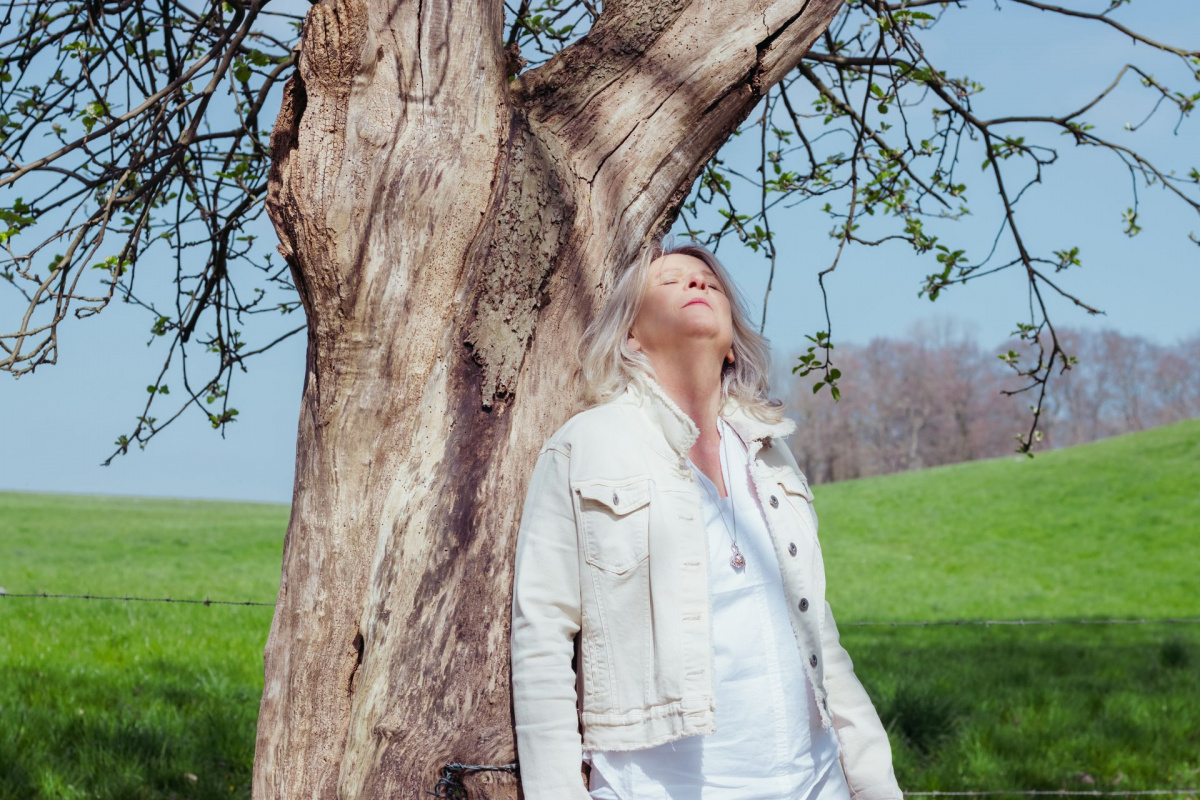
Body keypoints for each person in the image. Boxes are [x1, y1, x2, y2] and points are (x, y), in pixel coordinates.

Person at [510, 238, 903, 800]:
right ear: (630, 335)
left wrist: (874, 783)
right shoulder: (586, 446)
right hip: (656, 787)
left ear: (731, 348)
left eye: (710, 283)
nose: (697, 285)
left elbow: (820, 633)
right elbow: (542, 634)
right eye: (670, 281)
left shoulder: (771, 453)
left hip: (815, 780)